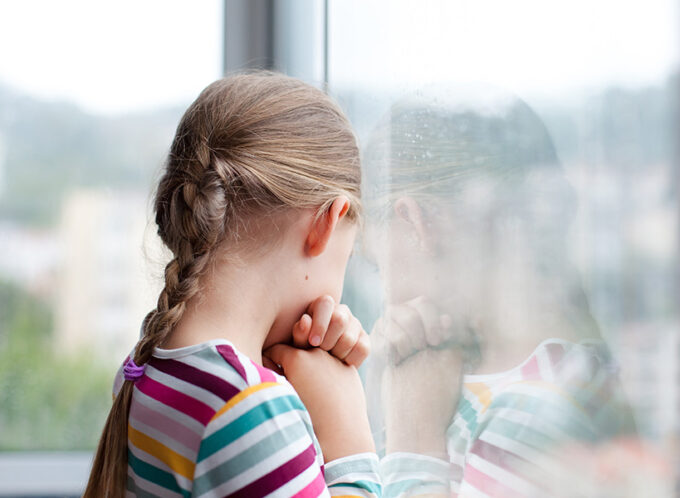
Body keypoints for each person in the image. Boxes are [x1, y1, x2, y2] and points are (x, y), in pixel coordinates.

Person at [84, 72, 381, 497]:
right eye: (347, 258)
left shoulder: (150, 364)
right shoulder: (247, 408)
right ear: (325, 223)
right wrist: (349, 440)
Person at [362, 86, 637, 497]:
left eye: (378, 266)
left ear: (416, 223)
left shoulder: (528, 415)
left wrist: (414, 444)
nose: (385, 292)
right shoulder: (551, 377)